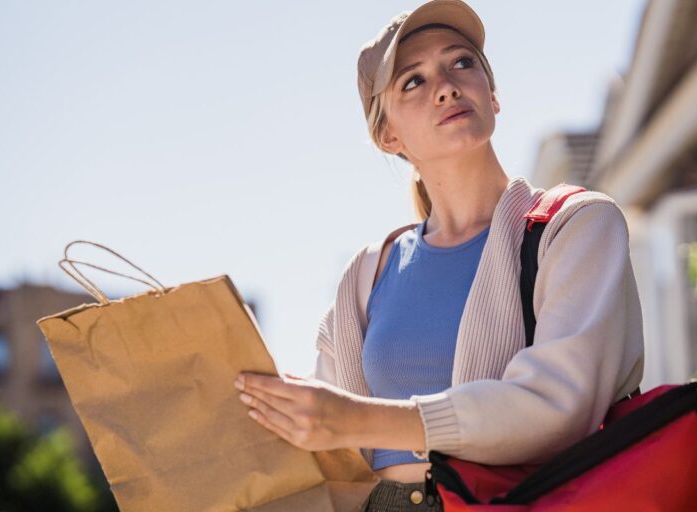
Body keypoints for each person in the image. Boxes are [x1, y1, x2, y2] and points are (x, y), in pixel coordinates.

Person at [233, 0, 645, 510]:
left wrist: (356, 418)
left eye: (462, 63)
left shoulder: (575, 226)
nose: (446, 85)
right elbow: (326, 443)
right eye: (413, 81)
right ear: (388, 136)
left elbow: (559, 404)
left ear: (492, 96)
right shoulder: (365, 274)